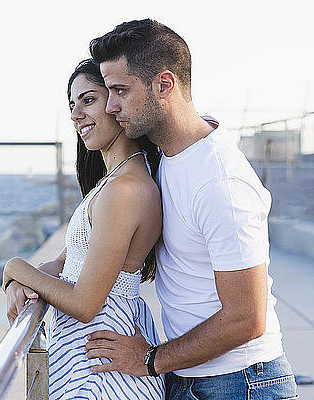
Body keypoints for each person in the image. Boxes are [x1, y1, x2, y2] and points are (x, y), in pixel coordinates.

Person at [84, 19, 299, 399]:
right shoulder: (170, 154)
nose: (111, 106)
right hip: (193, 375)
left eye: (120, 90)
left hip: (243, 383)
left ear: (164, 85)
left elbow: (246, 318)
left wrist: (150, 359)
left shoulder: (221, 184)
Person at [2, 59, 165, 399]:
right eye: (73, 105)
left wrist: (13, 267)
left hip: (99, 360)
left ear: (117, 104)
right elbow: (66, 263)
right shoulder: (113, 182)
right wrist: (20, 282)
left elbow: (85, 302)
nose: (76, 114)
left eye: (88, 100)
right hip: (87, 351)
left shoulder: (126, 189)